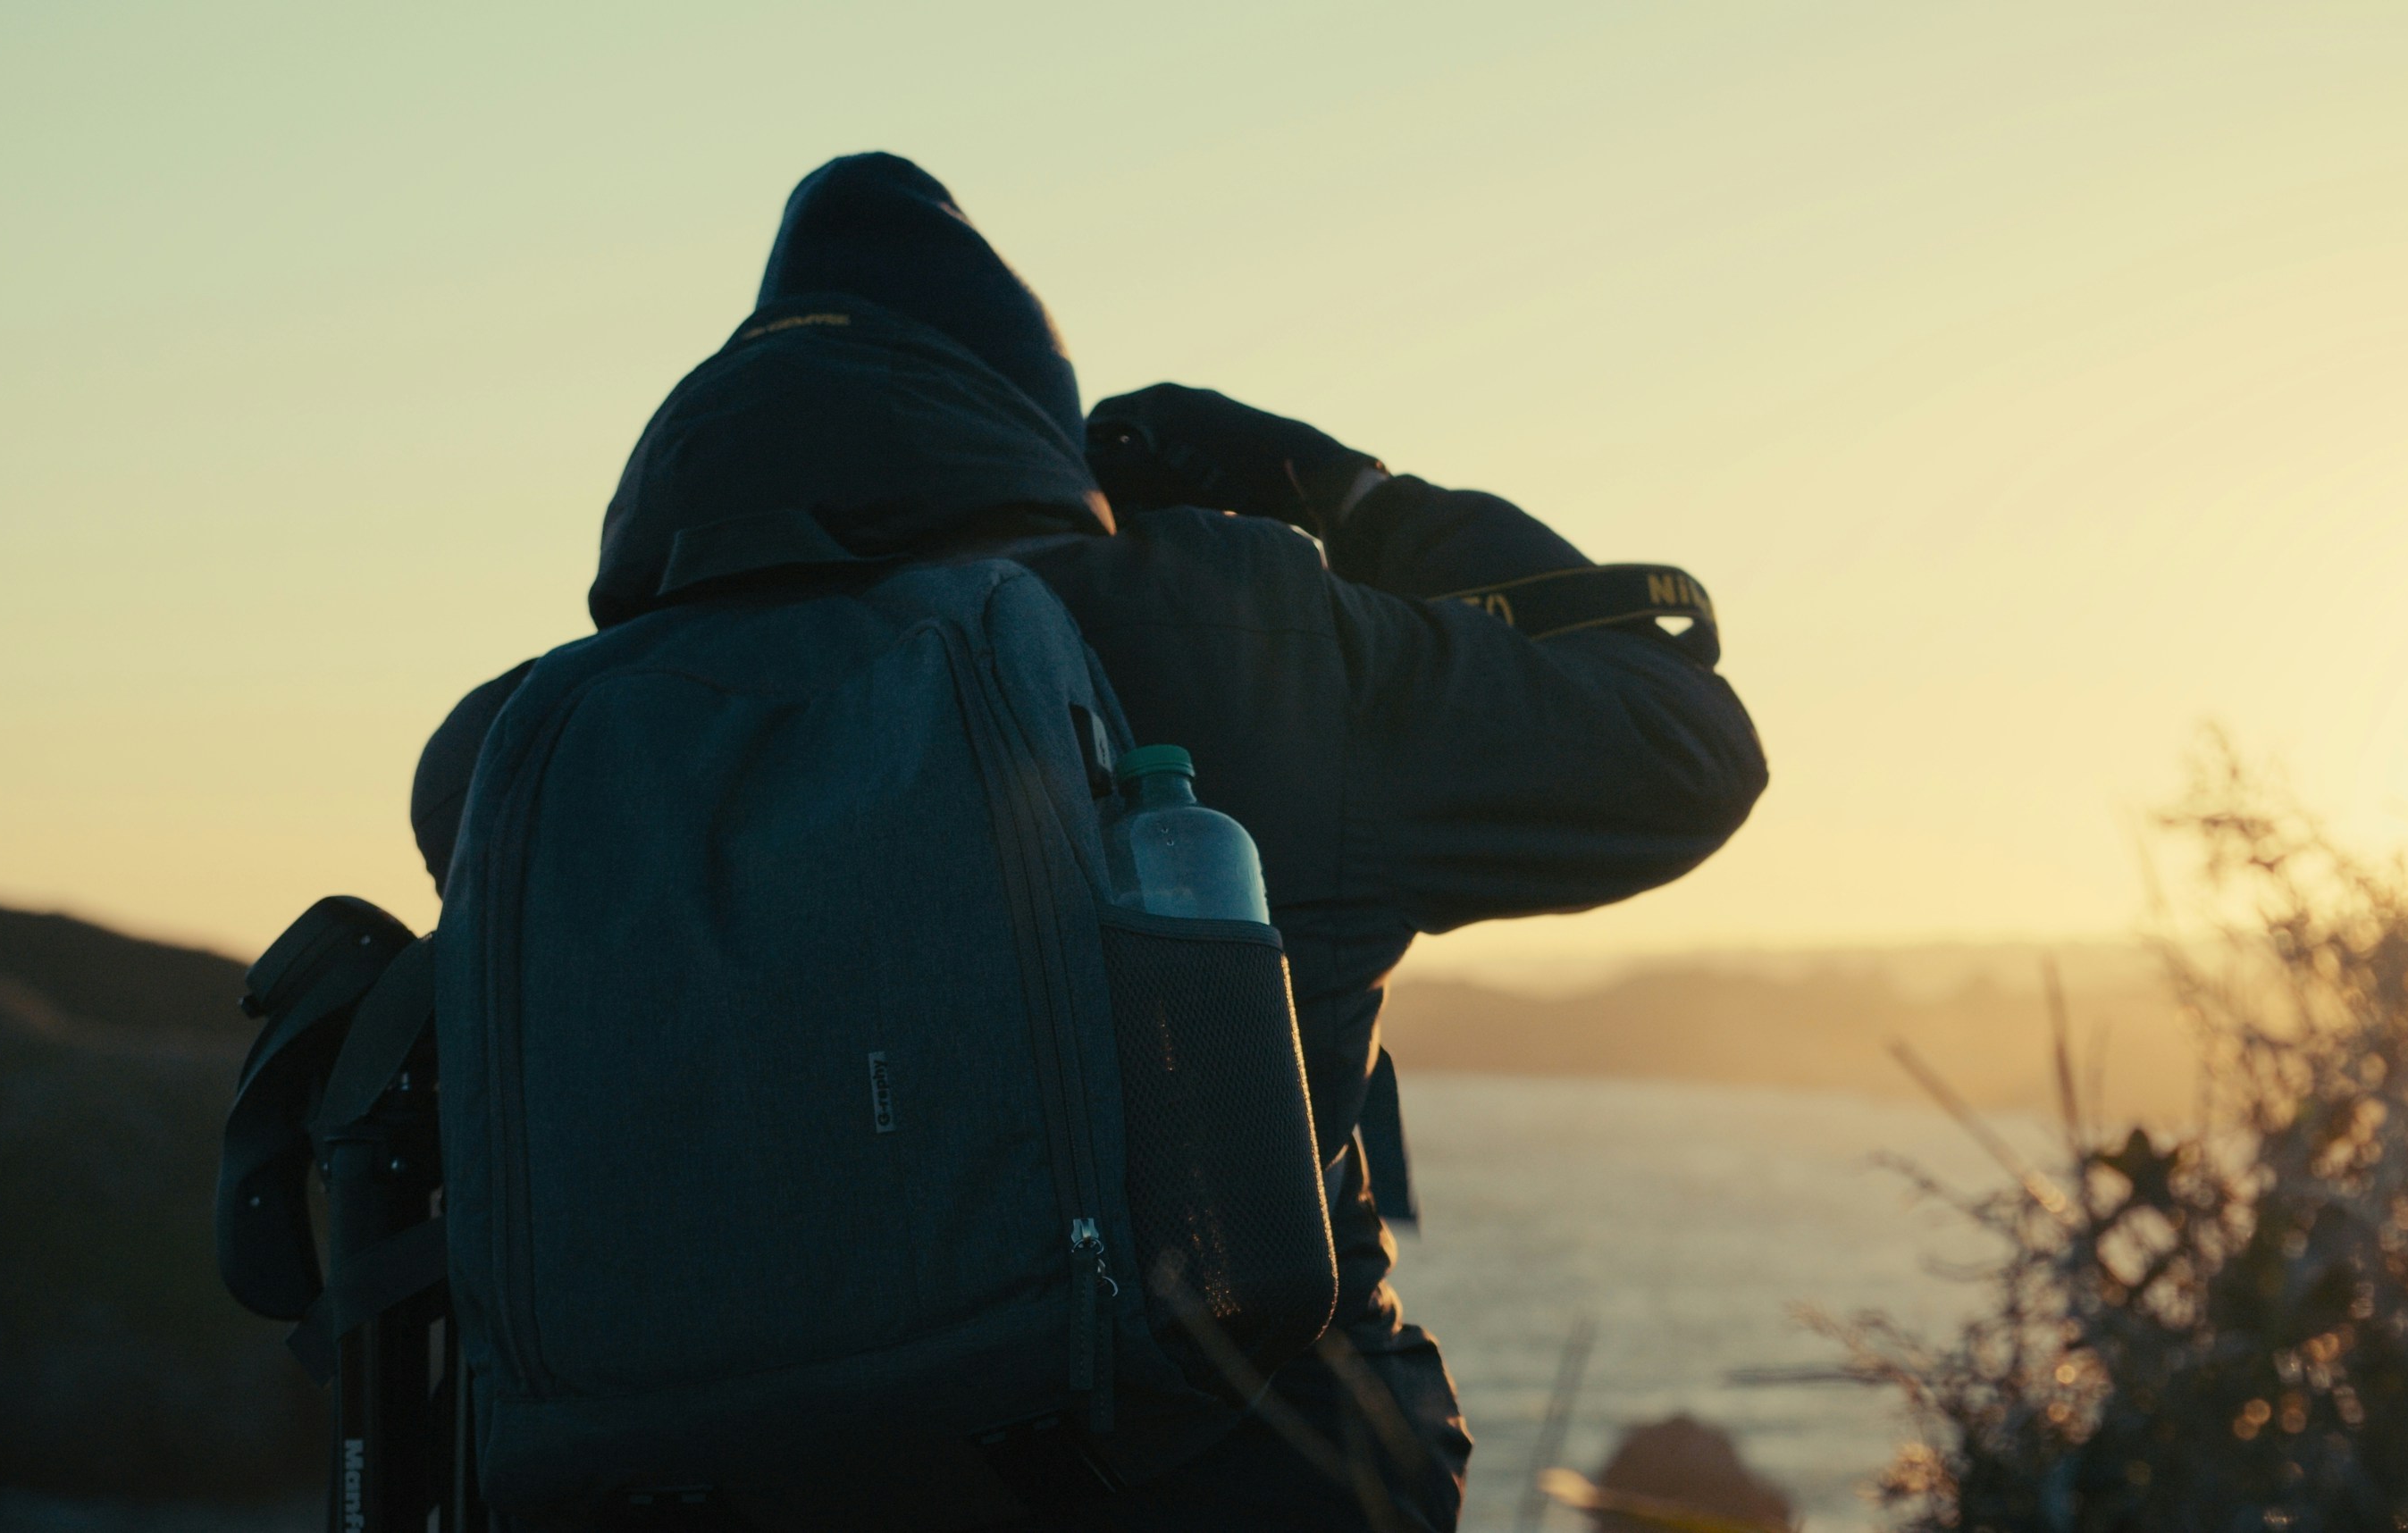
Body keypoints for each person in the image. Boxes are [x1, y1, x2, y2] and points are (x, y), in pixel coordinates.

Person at [404, 152, 1766, 1531]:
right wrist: (1345, 495)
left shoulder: (507, 751)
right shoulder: (1215, 633)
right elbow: (1681, 750)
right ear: (1027, 431)